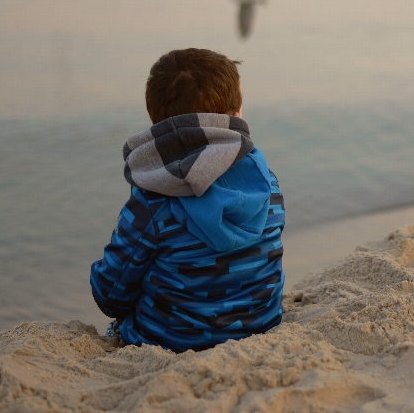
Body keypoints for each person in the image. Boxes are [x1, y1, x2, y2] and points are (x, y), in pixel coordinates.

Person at [90, 48, 285, 352]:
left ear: (157, 123)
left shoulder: (154, 200)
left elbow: (110, 294)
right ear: (235, 116)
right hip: (263, 327)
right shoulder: (266, 182)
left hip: (171, 341)